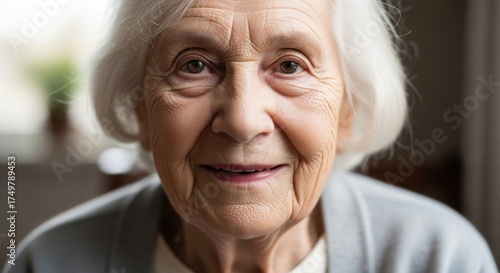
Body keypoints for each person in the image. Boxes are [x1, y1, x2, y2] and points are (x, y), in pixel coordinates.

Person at [3, 0, 498, 272]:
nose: (242, 120)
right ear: (140, 108)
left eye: (289, 65)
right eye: (193, 65)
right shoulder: (51, 263)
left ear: (348, 110)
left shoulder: (439, 259)